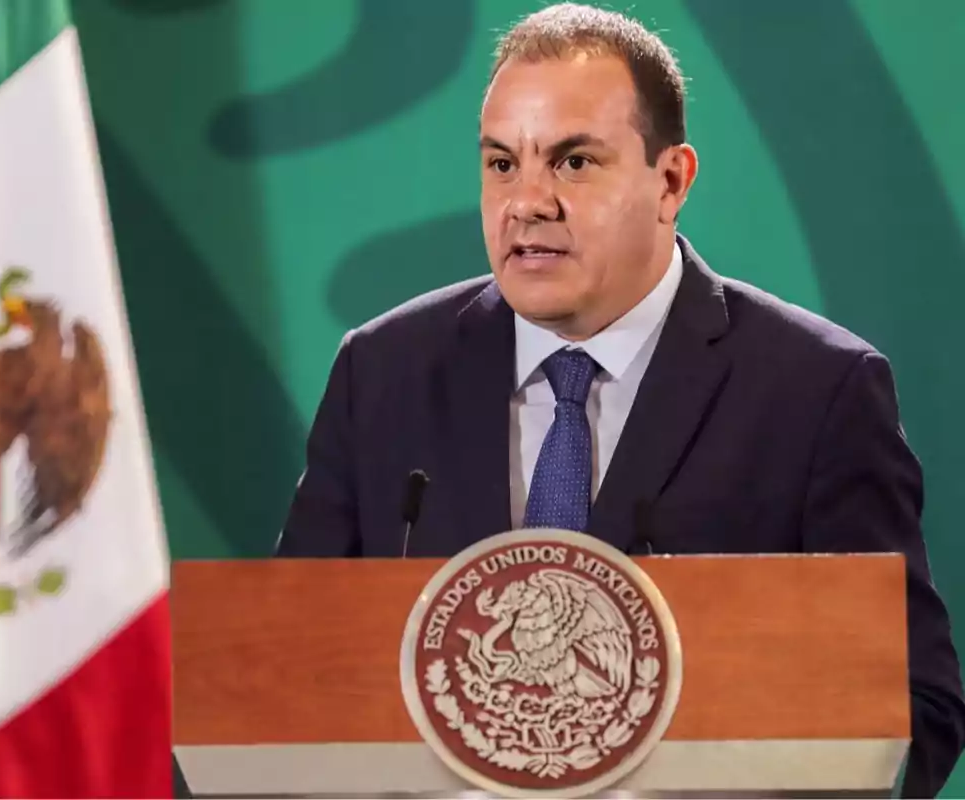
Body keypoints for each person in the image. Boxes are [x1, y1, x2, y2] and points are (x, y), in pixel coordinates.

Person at [274, 3, 965, 795]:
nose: (526, 202)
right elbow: (287, 681)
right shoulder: (384, 374)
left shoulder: (817, 392)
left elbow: (916, 708)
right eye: (502, 164)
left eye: (573, 162)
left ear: (671, 181)